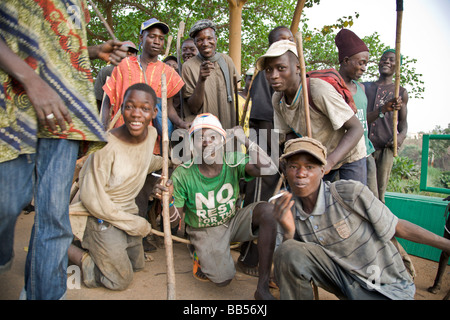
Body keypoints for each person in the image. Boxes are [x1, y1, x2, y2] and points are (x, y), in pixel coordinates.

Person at [0, 0, 128, 300]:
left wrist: (94, 52)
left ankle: (43, 293)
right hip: (13, 98)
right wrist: (31, 80)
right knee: (9, 199)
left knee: (54, 214)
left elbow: (52, 43)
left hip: (66, 110)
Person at [272, 137, 450, 300]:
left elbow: (397, 227)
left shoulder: (349, 193)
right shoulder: (286, 207)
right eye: (293, 166)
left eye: (310, 167)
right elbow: (286, 261)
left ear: (323, 171)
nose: (301, 173)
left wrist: (446, 245)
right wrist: (288, 231)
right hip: (345, 284)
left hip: (386, 288)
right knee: (288, 250)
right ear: (286, 171)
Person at [68, 83, 172, 290]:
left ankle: (101, 247)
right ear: (122, 108)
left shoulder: (151, 134)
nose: (136, 114)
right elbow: (92, 200)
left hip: (126, 213)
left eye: (144, 108)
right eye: (129, 106)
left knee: (136, 265)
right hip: (99, 216)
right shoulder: (105, 147)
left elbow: (144, 160)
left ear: (154, 112)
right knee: (119, 281)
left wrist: (166, 165)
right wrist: (133, 224)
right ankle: (67, 249)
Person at [170, 113, 277, 300]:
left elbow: (268, 167)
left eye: (213, 137)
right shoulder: (182, 174)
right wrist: (167, 200)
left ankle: (262, 288)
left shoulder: (232, 160)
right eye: (200, 138)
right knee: (223, 279)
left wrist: (244, 139)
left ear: (222, 140)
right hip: (205, 229)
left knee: (269, 212)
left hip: (232, 221)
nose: (206, 142)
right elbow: (173, 220)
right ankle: (201, 254)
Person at [256, 40, 366, 183]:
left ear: (297, 68)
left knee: (352, 201)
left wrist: (330, 162)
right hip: (318, 157)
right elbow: (288, 133)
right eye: (269, 70)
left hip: (348, 154)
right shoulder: (278, 98)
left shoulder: (317, 90)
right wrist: (293, 156)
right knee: (314, 203)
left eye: (281, 68)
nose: (273, 75)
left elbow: (356, 128)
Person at [239, 26, 294, 277]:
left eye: (291, 41)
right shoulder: (267, 73)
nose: (288, 44)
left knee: (276, 199)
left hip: (280, 142)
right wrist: (273, 152)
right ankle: (250, 255)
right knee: (259, 196)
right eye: (283, 41)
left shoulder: (289, 73)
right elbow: (262, 117)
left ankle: (268, 257)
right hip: (265, 140)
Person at [102, 18, 188, 151]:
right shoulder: (124, 65)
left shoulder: (168, 72)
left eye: (161, 38)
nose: (157, 42)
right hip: (119, 135)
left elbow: (168, 108)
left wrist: (181, 123)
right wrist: (103, 129)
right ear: (141, 38)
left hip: (150, 142)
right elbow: (108, 101)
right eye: (152, 36)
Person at [364, 49, 408, 202]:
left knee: (379, 193)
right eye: (384, 59)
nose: (386, 62)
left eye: (391, 60)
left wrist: (400, 137)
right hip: (363, 148)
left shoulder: (400, 92)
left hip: (385, 149)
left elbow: (403, 123)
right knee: (360, 189)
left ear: (398, 66)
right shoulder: (365, 87)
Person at [181, 19, 239, 129]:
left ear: (216, 39)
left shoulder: (226, 61)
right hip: (204, 132)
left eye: (209, 38)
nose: (205, 43)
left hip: (228, 126)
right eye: (200, 40)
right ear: (195, 43)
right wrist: (201, 80)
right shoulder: (188, 67)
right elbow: (193, 108)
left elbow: (234, 93)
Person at [336, 29, 375, 185]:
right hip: (343, 155)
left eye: (366, 63)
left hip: (365, 151)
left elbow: (363, 120)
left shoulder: (361, 88)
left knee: (369, 200)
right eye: (361, 63)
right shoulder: (332, 88)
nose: (364, 68)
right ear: (345, 61)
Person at [94, 41, 138, 111]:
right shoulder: (108, 71)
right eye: (126, 51)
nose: (129, 54)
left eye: (132, 52)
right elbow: (98, 100)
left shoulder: (140, 73)